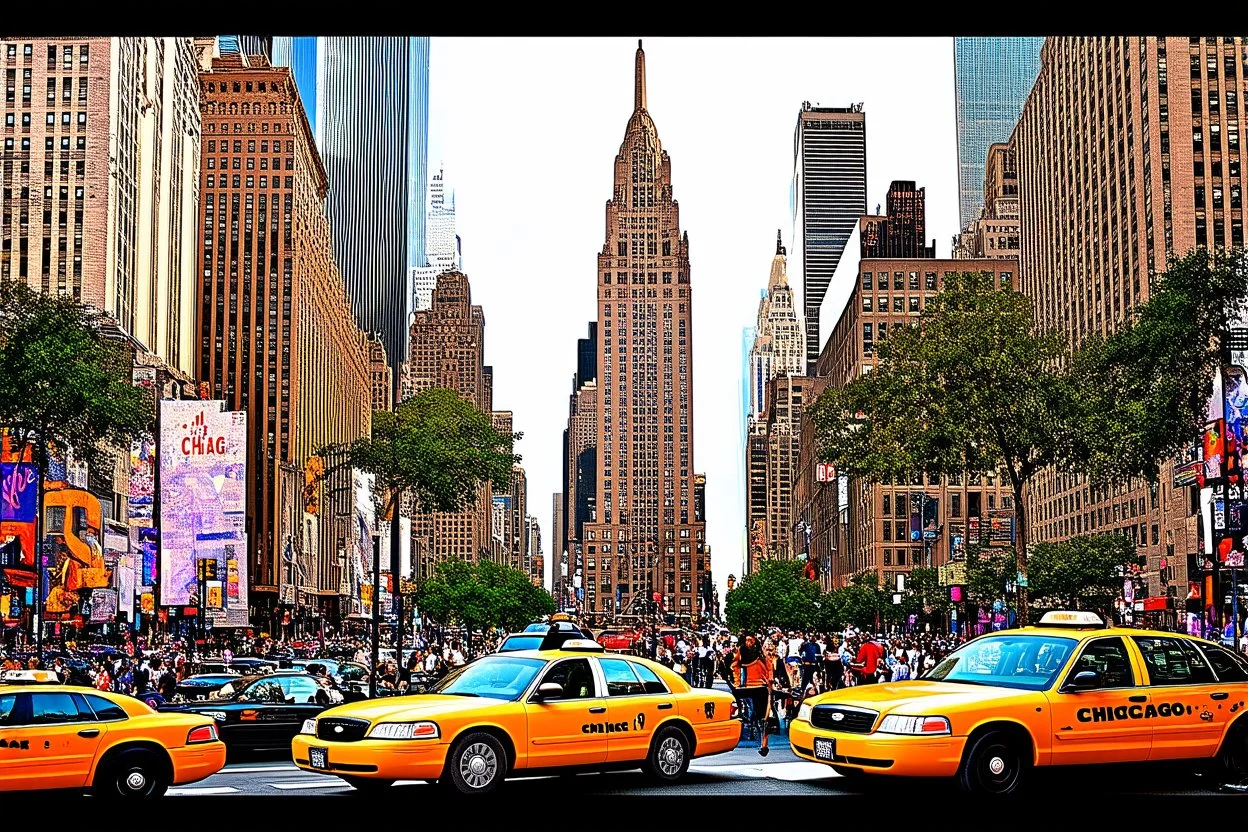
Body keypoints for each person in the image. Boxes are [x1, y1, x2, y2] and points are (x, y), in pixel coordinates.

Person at [731, 633, 774, 757]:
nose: (749, 642)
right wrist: (737, 681)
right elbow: (735, 666)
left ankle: (764, 744)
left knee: (763, 717)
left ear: (755, 641)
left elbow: (769, 667)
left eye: (751, 640)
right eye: (747, 640)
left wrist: (770, 681)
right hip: (746, 686)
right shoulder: (741, 652)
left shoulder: (760, 653)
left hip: (760, 686)